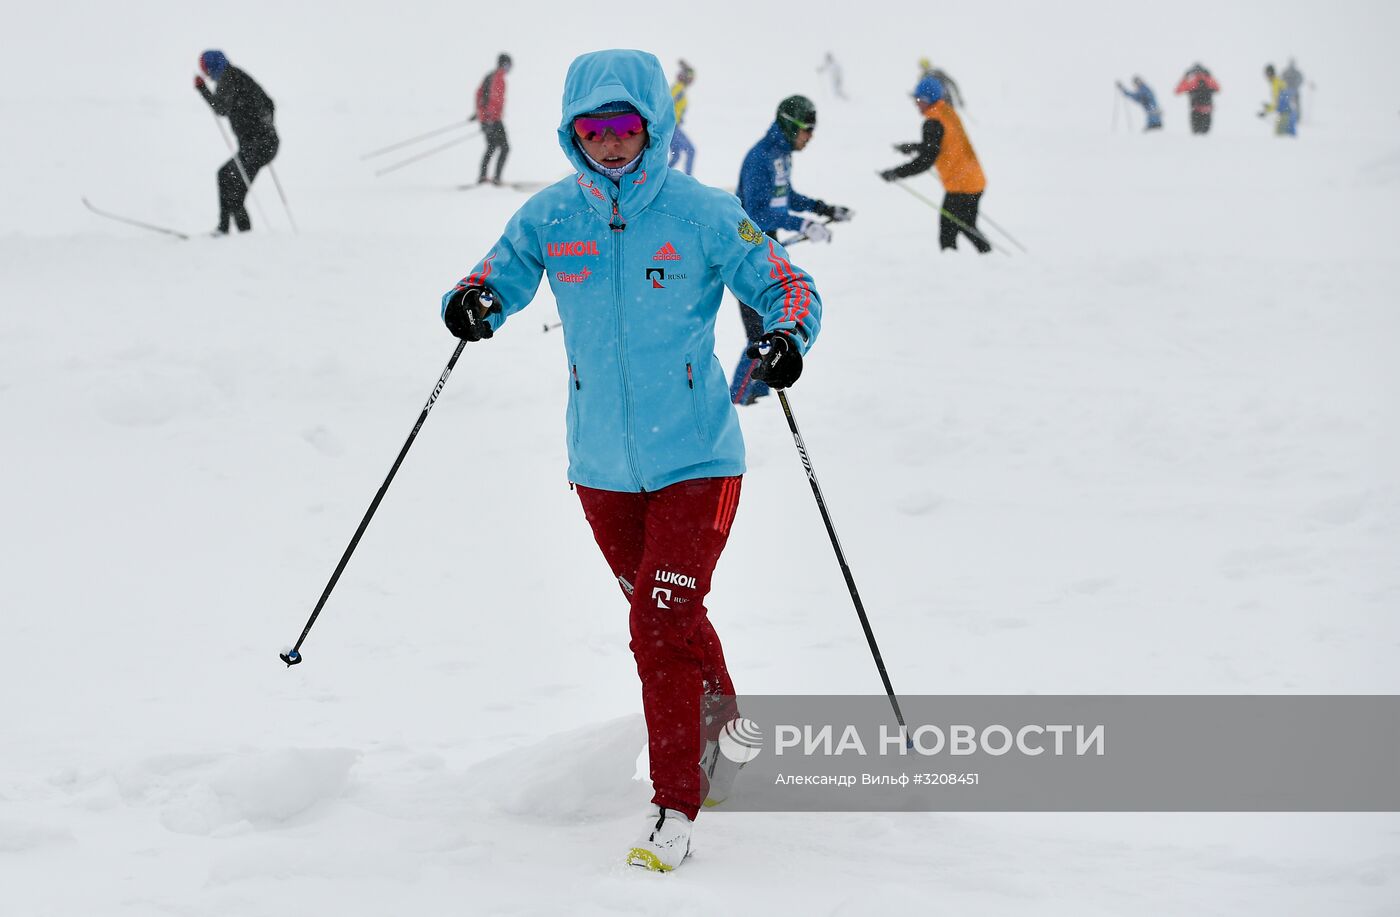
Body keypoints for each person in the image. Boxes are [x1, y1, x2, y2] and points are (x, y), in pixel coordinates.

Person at [438, 49, 822, 873]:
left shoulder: (703, 212)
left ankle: (676, 801)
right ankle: (729, 730)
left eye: (625, 127)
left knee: (657, 620)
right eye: (593, 129)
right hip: (602, 470)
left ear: (653, 126)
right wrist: (472, 302)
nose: (611, 144)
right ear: (573, 133)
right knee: (671, 617)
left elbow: (787, 283)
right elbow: (494, 276)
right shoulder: (551, 217)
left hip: (698, 461)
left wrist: (788, 337)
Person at [728, 95, 850, 407]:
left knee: (773, 339)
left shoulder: (781, 155)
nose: (810, 136)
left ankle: (759, 404)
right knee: (760, 342)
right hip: (748, 258)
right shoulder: (760, 158)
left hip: (769, 252)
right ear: (791, 125)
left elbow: (785, 197)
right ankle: (737, 404)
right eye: (807, 129)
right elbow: (755, 213)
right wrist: (803, 224)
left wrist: (822, 208)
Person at [880, 75, 990, 254]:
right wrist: (913, 147)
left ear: (927, 100)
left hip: (960, 187)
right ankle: (988, 257)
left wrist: (896, 173)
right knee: (967, 225)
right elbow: (940, 145)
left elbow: (926, 160)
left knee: (948, 233)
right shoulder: (947, 112)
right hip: (974, 180)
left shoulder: (933, 122)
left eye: (918, 100)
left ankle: (963, 265)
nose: (916, 104)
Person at [194, 50, 277, 235]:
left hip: (258, 145)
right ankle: (235, 233)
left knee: (231, 184)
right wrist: (267, 127)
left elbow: (221, 108)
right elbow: (270, 103)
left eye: (205, 68)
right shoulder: (236, 75)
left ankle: (230, 232)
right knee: (228, 181)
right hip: (260, 144)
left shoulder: (229, 78)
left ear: (212, 66)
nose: (205, 73)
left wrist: (202, 89)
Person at [471, 53, 512, 184]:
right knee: (505, 148)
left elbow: (479, 94)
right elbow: (494, 99)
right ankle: (496, 178)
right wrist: (490, 117)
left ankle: (483, 176)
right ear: (505, 64)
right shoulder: (498, 77)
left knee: (491, 147)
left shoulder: (490, 76)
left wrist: (479, 113)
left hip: (487, 119)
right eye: (509, 65)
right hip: (493, 120)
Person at [1175, 63, 1221, 135]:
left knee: (1196, 135)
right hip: (1207, 111)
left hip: (1195, 111)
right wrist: (1209, 76)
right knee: (1204, 135)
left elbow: (1178, 91)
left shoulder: (1192, 82)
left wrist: (1185, 77)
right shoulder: (1208, 80)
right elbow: (1218, 88)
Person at [668, 60, 696, 175]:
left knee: (677, 155)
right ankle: (689, 180)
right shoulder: (678, 90)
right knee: (691, 150)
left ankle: (661, 178)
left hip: (674, 126)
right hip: (672, 127)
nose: (692, 81)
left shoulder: (679, 89)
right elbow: (667, 104)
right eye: (691, 79)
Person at [1259, 64, 1298, 136]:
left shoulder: (1277, 83)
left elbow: (1282, 101)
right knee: (1285, 139)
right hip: (1285, 114)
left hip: (1285, 114)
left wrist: (1267, 110)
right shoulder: (1276, 83)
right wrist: (1267, 109)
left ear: (1269, 73)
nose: (1266, 77)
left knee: (1280, 137)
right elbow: (1277, 103)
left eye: (1266, 74)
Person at [1282, 58, 1305, 123]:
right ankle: (1290, 117)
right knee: (1289, 105)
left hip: (1294, 91)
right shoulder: (1286, 72)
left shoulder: (1296, 72)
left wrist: (1296, 86)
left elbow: (1300, 80)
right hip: (1289, 91)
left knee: (1296, 105)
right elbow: (1282, 80)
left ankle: (1297, 117)